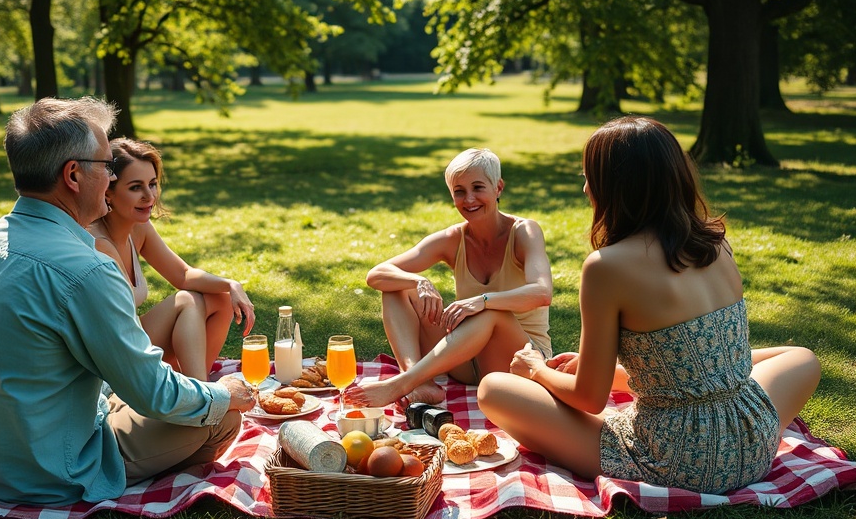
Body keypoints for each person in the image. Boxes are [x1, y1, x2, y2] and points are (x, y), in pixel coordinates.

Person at [478, 116, 821, 494]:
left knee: (494, 389)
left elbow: (589, 399)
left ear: (616, 187)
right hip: (752, 440)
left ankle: (627, 389)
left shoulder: (606, 267)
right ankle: (636, 376)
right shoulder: (715, 243)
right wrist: (610, 368)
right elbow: (705, 347)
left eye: (589, 177)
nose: (586, 189)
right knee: (801, 357)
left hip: (677, 460)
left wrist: (536, 369)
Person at [0, 97, 255, 505]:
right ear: (73, 175)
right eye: (107, 167)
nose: (111, 179)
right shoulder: (87, 268)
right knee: (222, 416)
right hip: (52, 470)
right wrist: (225, 393)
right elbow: (154, 393)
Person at [346, 148, 553, 409]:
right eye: (459, 191)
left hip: (520, 360)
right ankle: (418, 382)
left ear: (498, 187)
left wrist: (483, 300)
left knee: (491, 313)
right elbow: (376, 274)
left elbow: (542, 293)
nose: (469, 199)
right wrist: (417, 281)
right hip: (466, 361)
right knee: (396, 288)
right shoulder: (453, 239)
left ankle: (402, 384)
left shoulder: (525, 231)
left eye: (478, 187)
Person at [87, 138, 254, 380]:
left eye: (152, 184)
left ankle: (195, 383)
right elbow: (119, 327)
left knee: (219, 298)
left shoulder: (137, 228)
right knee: (187, 300)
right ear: (108, 192)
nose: (149, 196)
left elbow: (183, 275)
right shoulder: (99, 243)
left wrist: (231, 284)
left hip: (133, 338)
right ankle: (199, 401)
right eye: (135, 187)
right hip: (112, 355)